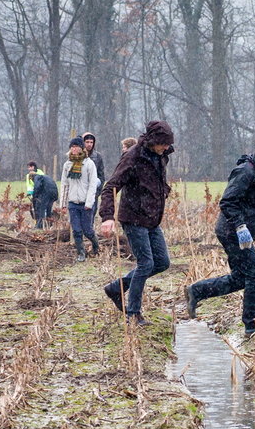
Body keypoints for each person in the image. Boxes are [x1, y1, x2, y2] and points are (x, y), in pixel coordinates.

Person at [185, 135, 255, 337]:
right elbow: (228, 201)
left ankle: (196, 291)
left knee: (241, 278)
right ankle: (252, 326)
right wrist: (240, 227)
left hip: (244, 231)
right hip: (232, 232)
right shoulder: (247, 171)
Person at [99, 121, 175, 326]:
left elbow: (155, 181)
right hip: (133, 217)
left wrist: (164, 191)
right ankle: (133, 313)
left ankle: (116, 288)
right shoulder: (132, 157)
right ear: (153, 141)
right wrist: (107, 217)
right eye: (164, 144)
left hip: (152, 218)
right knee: (146, 263)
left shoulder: (160, 155)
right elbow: (111, 187)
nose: (167, 148)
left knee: (162, 262)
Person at [60, 136, 99, 261]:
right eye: (72, 147)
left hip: (85, 203)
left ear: (81, 148)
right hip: (73, 203)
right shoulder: (67, 165)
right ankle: (81, 253)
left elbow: (93, 184)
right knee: (76, 230)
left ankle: (95, 245)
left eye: (76, 146)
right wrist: (63, 203)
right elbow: (64, 184)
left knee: (87, 230)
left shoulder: (88, 164)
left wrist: (89, 202)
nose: (74, 149)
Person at [82, 131, 105, 199]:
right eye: (87, 142)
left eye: (91, 142)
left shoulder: (98, 157)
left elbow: (101, 177)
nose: (89, 144)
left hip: (93, 193)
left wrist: (96, 193)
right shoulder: (77, 156)